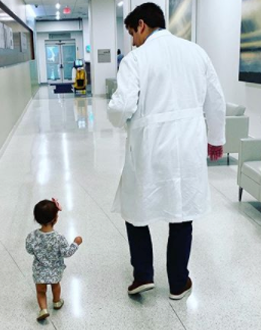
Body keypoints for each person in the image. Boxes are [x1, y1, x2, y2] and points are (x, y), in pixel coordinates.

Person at [107, 3, 225, 301]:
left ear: (142, 25)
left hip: (149, 147)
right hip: (187, 146)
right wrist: (216, 138)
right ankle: (178, 283)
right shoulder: (196, 52)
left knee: (135, 210)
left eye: (133, 33)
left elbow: (121, 107)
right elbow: (216, 99)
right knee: (182, 213)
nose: (132, 40)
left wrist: (115, 119)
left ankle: (143, 275)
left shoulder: (136, 60)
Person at [25, 198, 83, 321]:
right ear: (55, 218)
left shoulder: (31, 236)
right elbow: (67, 253)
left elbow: (29, 250)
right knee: (55, 285)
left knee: (41, 291)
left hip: (39, 270)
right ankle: (56, 302)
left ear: (36, 219)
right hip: (55, 270)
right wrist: (76, 243)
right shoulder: (59, 238)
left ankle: (43, 309)